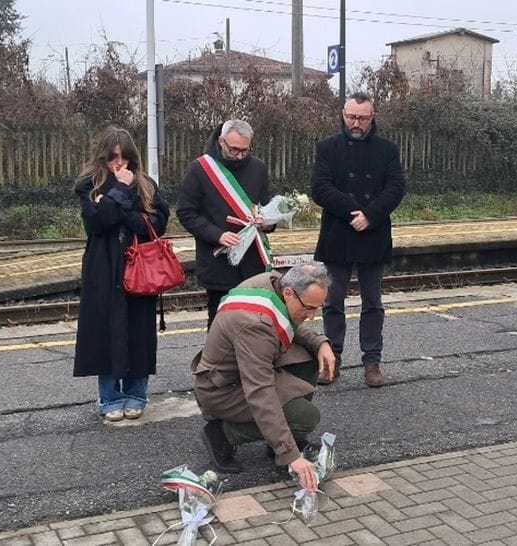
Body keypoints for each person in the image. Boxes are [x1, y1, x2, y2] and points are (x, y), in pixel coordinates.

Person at [192, 262, 335, 491]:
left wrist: (319, 343)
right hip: (222, 392)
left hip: (235, 376)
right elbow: (260, 391)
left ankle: (277, 440)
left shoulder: (273, 283)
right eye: (309, 308)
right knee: (306, 418)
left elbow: (289, 322)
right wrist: (290, 455)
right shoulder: (255, 325)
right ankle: (223, 434)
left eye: (317, 308)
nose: (311, 316)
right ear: (289, 293)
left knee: (309, 355)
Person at [73, 127, 170, 422]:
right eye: (113, 158)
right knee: (105, 331)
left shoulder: (147, 185)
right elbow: (97, 222)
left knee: (139, 331)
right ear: (102, 158)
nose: (119, 164)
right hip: (103, 268)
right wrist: (121, 191)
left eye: (125, 157)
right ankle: (110, 396)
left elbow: (156, 223)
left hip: (140, 268)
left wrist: (119, 201)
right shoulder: (88, 185)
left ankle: (136, 393)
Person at [311, 92, 406, 387]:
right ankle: (332, 360)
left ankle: (372, 362)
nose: (356, 123)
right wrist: (353, 211)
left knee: (373, 303)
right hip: (338, 233)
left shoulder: (387, 149)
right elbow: (320, 188)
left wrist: (370, 215)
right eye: (351, 116)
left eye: (362, 118)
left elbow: (396, 188)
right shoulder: (327, 147)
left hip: (373, 234)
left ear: (372, 117)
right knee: (332, 302)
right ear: (343, 114)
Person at [177, 119, 275, 328]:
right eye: (233, 150)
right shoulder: (200, 168)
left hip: (253, 261)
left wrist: (267, 222)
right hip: (218, 260)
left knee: (254, 323)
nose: (239, 156)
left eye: (244, 150)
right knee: (220, 325)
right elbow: (186, 212)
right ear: (221, 141)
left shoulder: (258, 168)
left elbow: (266, 207)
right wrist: (217, 234)